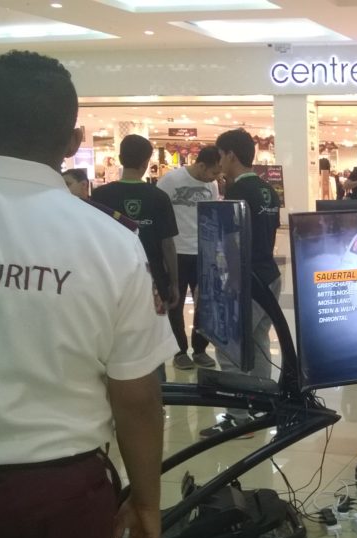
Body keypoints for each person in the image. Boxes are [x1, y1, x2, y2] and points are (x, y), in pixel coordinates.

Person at [0, 50, 173, 538]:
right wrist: (146, 500)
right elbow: (136, 396)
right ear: (73, 140)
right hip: (57, 496)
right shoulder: (110, 243)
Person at [199, 128, 282, 439]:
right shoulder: (267, 189)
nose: (219, 161)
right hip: (270, 276)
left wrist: (226, 284)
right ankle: (262, 407)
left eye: (220, 155)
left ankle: (237, 418)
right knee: (259, 343)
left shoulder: (238, 192)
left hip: (247, 280)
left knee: (229, 348)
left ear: (231, 155)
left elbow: (232, 244)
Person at [93, 134, 180, 348]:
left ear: (120, 158)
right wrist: (175, 283)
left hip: (109, 277)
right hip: (153, 280)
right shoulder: (158, 197)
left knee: (112, 336)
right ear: (146, 162)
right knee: (152, 340)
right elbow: (168, 245)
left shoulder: (100, 195)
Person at [155, 147, 222, 371]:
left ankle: (200, 349)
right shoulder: (170, 181)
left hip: (203, 252)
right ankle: (180, 351)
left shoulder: (212, 185)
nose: (216, 178)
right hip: (176, 252)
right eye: (213, 172)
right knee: (175, 303)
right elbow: (159, 214)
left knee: (205, 303)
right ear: (201, 165)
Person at [62, 167, 140, 232]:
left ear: (83, 185)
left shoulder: (100, 207)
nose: (63, 188)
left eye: (67, 184)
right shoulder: (63, 210)